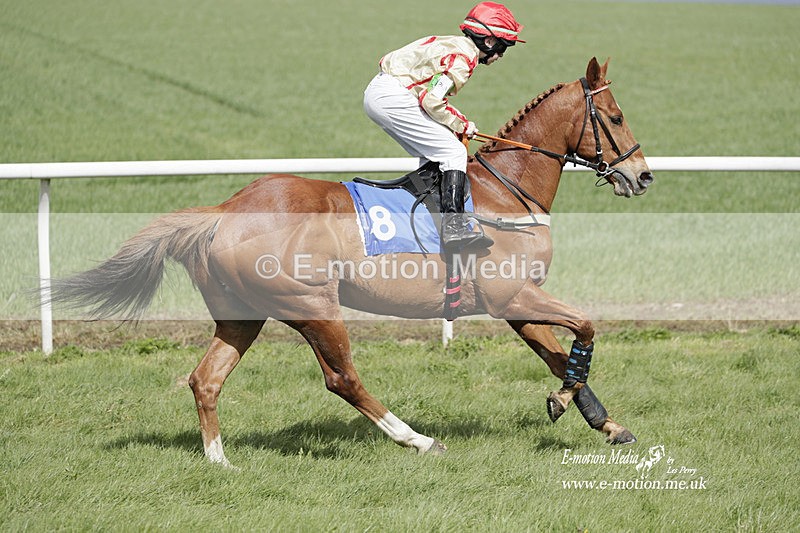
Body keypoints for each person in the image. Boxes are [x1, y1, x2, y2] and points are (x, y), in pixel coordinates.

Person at [363, 2, 524, 250]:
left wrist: (457, 122)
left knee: (435, 150)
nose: (501, 55)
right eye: (503, 47)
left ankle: (428, 209)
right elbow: (431, 100)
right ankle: (454, 228)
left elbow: (430, 95)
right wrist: (461, 125)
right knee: (454, 152)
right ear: (489, 42)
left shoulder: (452, 43)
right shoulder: (464, 58)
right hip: (393, 97)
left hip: (384, 91)